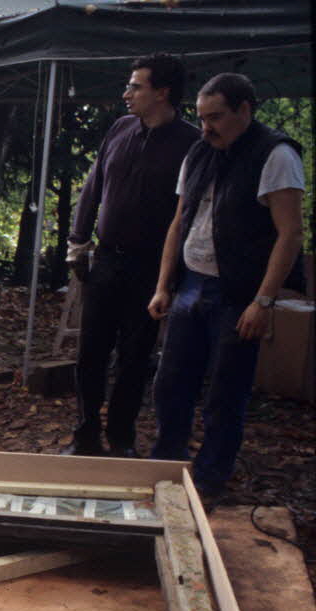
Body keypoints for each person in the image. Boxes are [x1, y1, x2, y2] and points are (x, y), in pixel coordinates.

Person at [148, 73, 305, 497]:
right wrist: (163, 285)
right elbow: (180, 222)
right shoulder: (199, 151)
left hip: (238, 294)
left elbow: (290, 233)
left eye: (215, 118)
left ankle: (210, 480)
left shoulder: (276, 154)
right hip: (190, 285)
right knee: (171, 383)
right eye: (201, 118)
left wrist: (263, 301)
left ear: (244, 110)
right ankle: (166, 466)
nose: (206, 128)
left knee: (225, 392)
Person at [63, 54, 200, 457]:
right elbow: (93, 185)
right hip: (106, 261)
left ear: (162, 92)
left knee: (135, 358)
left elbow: (190, 214)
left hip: (152, 268)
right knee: (90, 353)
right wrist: (77, 242)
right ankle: (85, 435)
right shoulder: (121, 128)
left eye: (136, 86)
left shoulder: (191, 143)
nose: (127, 94)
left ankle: (121, 438)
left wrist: (171, 278)